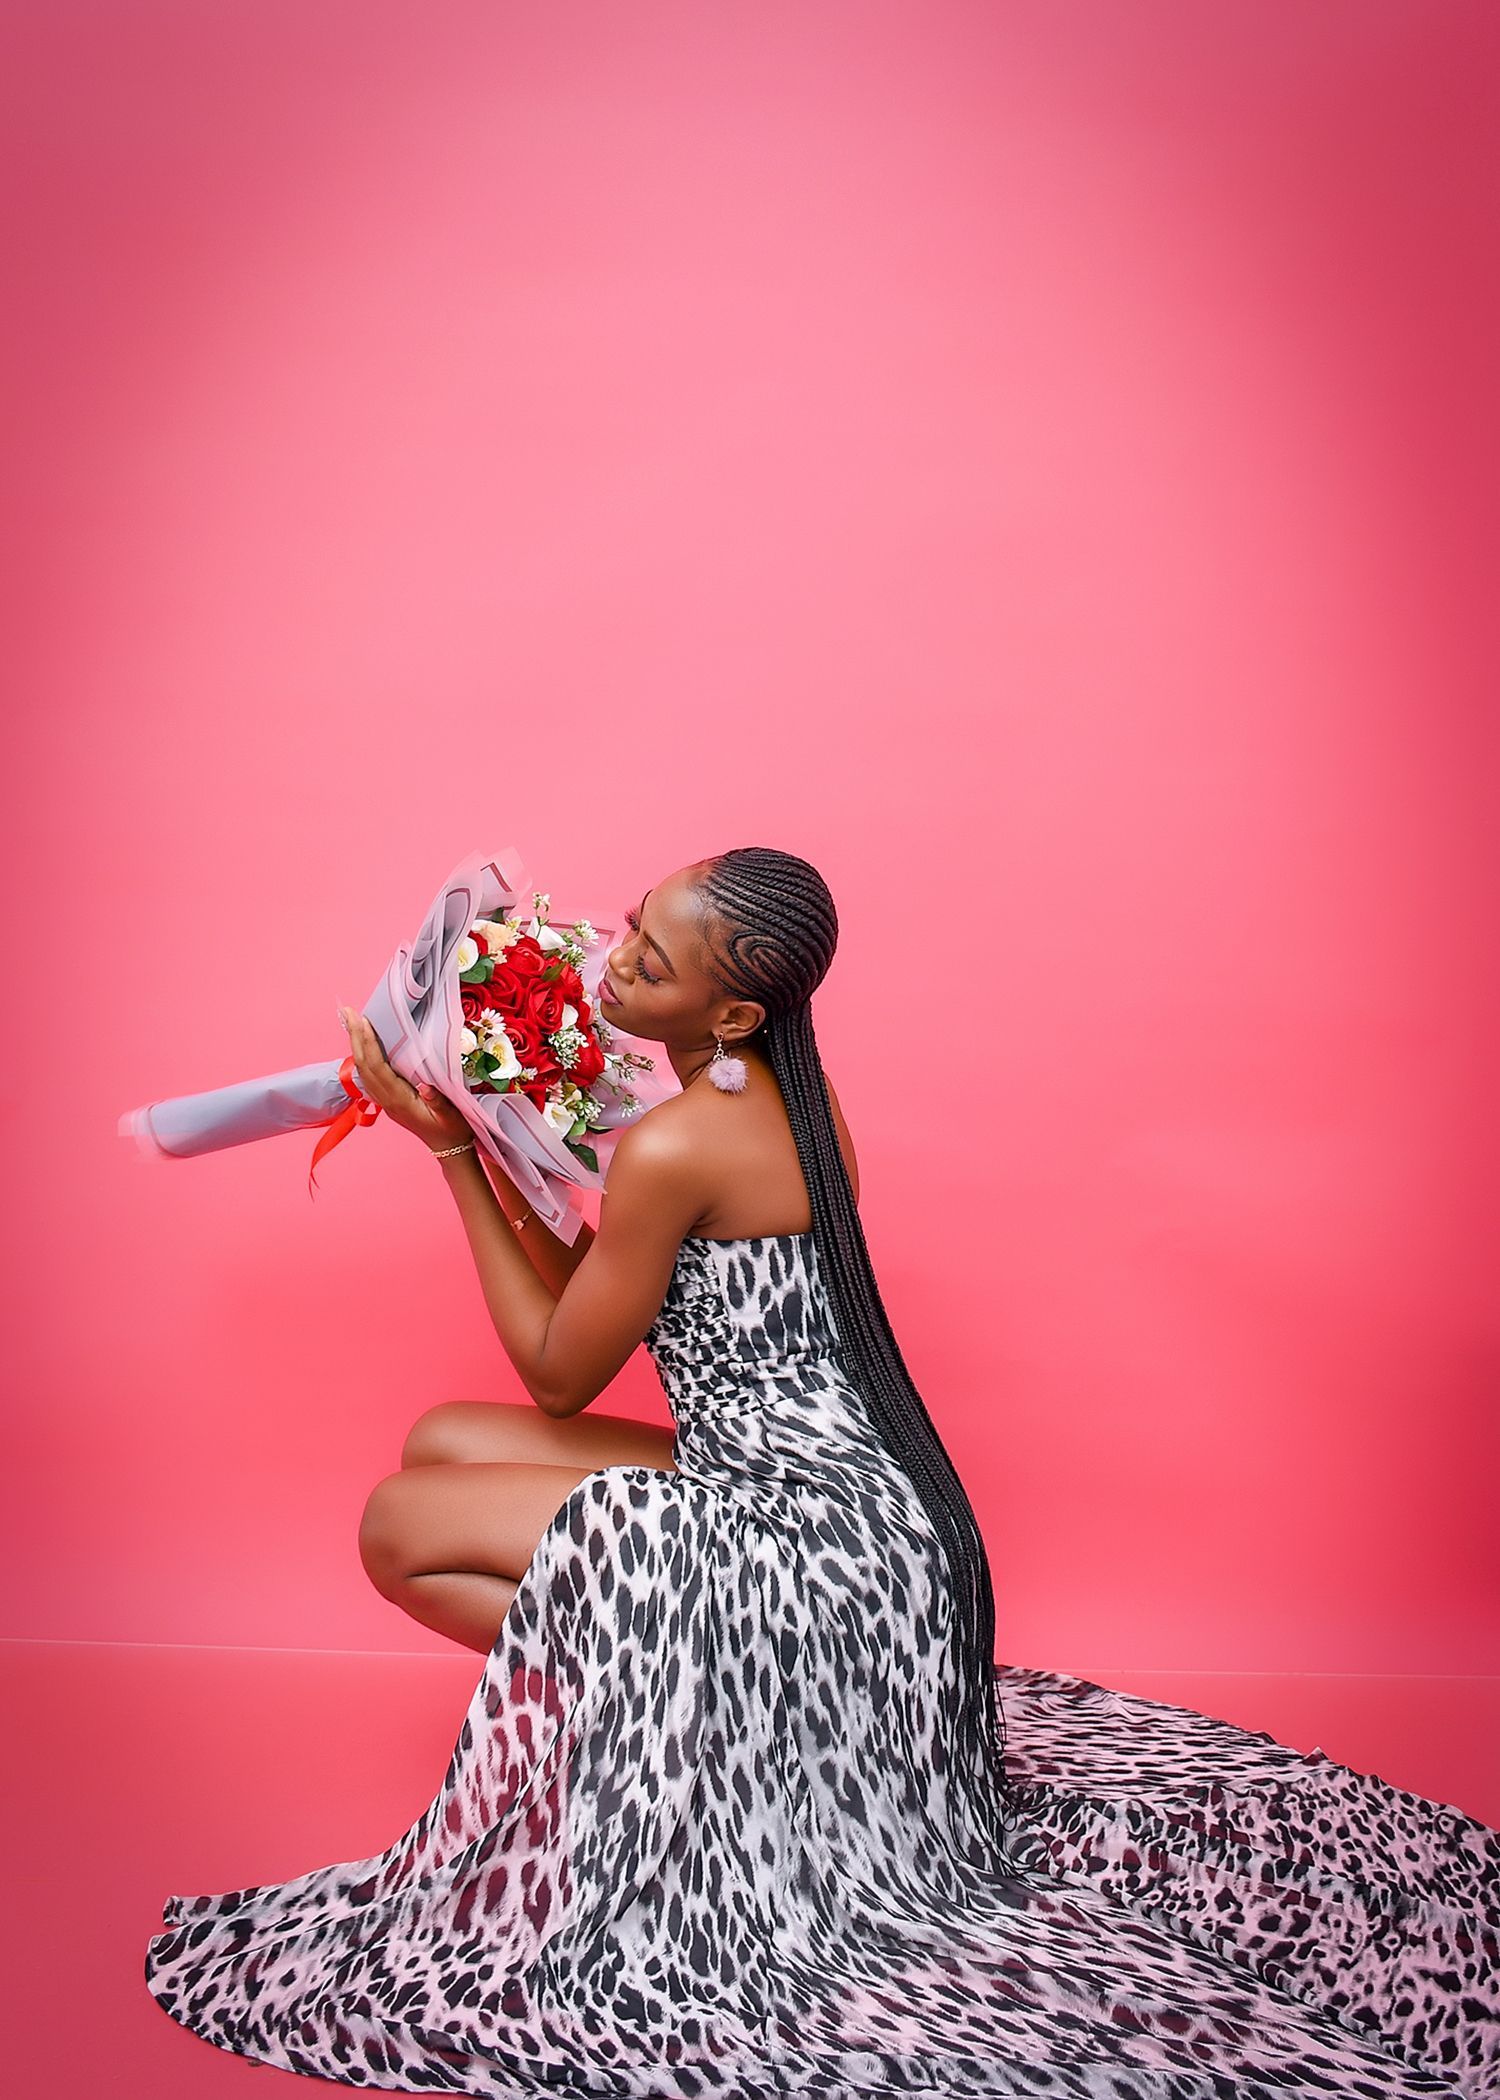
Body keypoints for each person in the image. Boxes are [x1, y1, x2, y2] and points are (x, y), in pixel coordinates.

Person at [144, 846, 1498, 2097]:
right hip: (857, 1516)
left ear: (729, 1018)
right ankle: (705, 1681)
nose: (611, 969)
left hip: (809, 1546)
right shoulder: (779, 1091)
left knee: (399, 1525)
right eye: (629, 934)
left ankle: (724, 1708)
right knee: (445, 1440)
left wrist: (448, 1143)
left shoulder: (680, 1145)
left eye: (651, 970)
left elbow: (559, 1371)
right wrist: (505, 1127)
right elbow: (603, 1310)